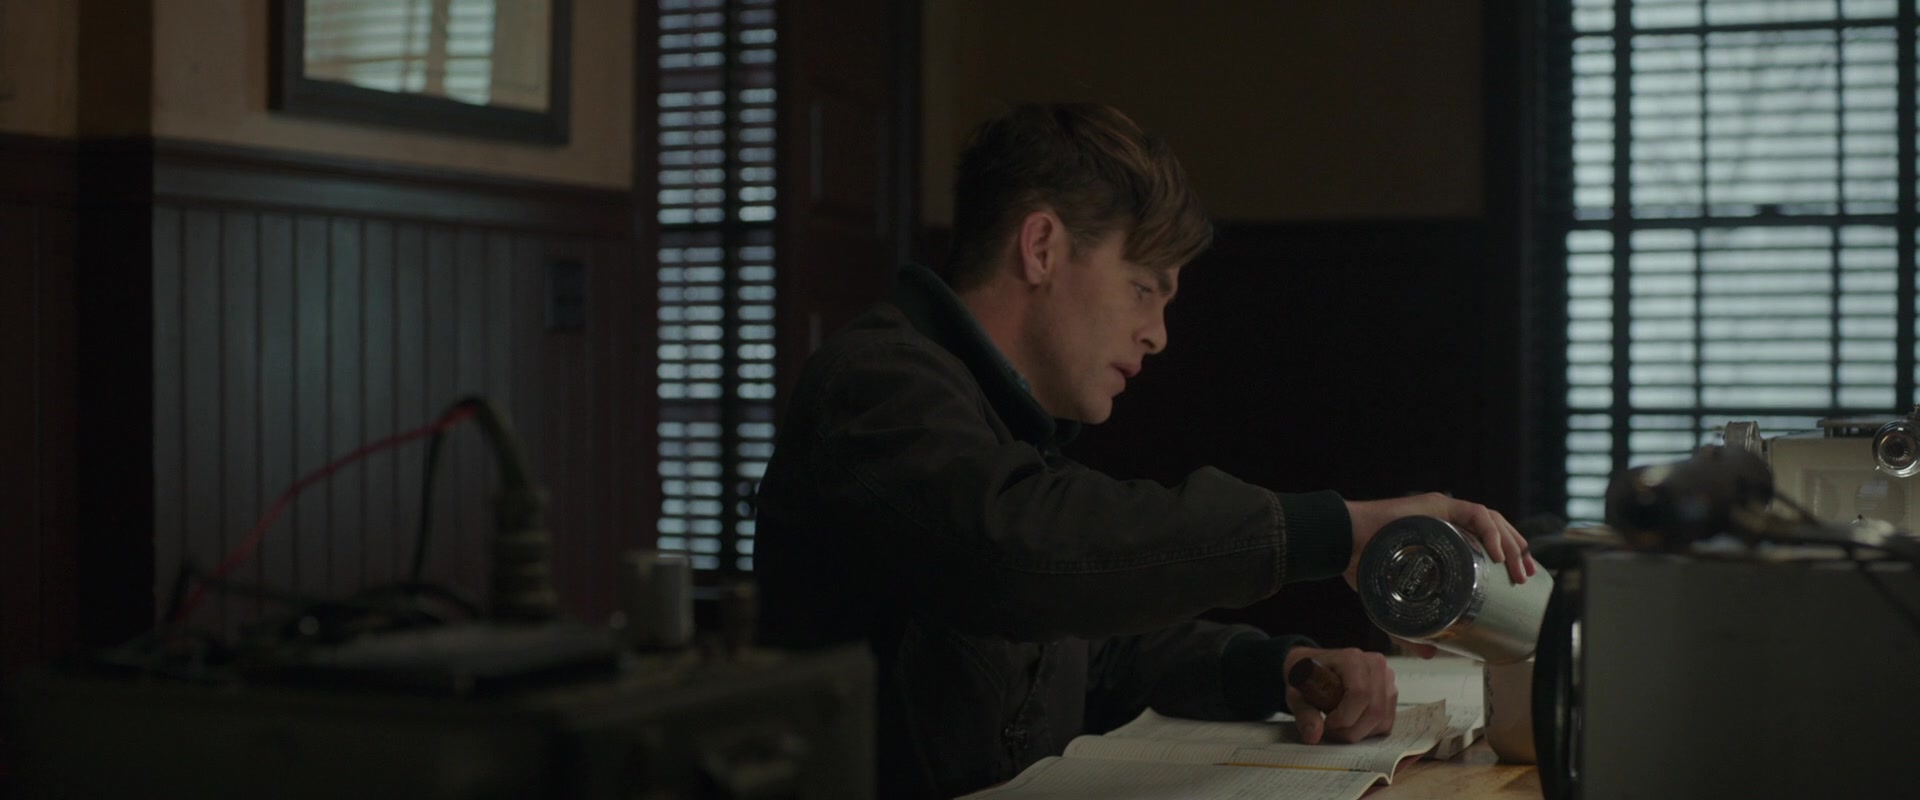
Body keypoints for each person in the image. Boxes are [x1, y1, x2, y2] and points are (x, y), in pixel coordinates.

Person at [752, 103, 1534, 799]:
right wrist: (1337, 530)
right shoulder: (876, 384)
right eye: (1144, 287)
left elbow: (1090, 653)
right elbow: (1019, 550)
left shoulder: (1005, 417)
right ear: (1042, 247)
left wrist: (1278, 670)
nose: (1158, 335)